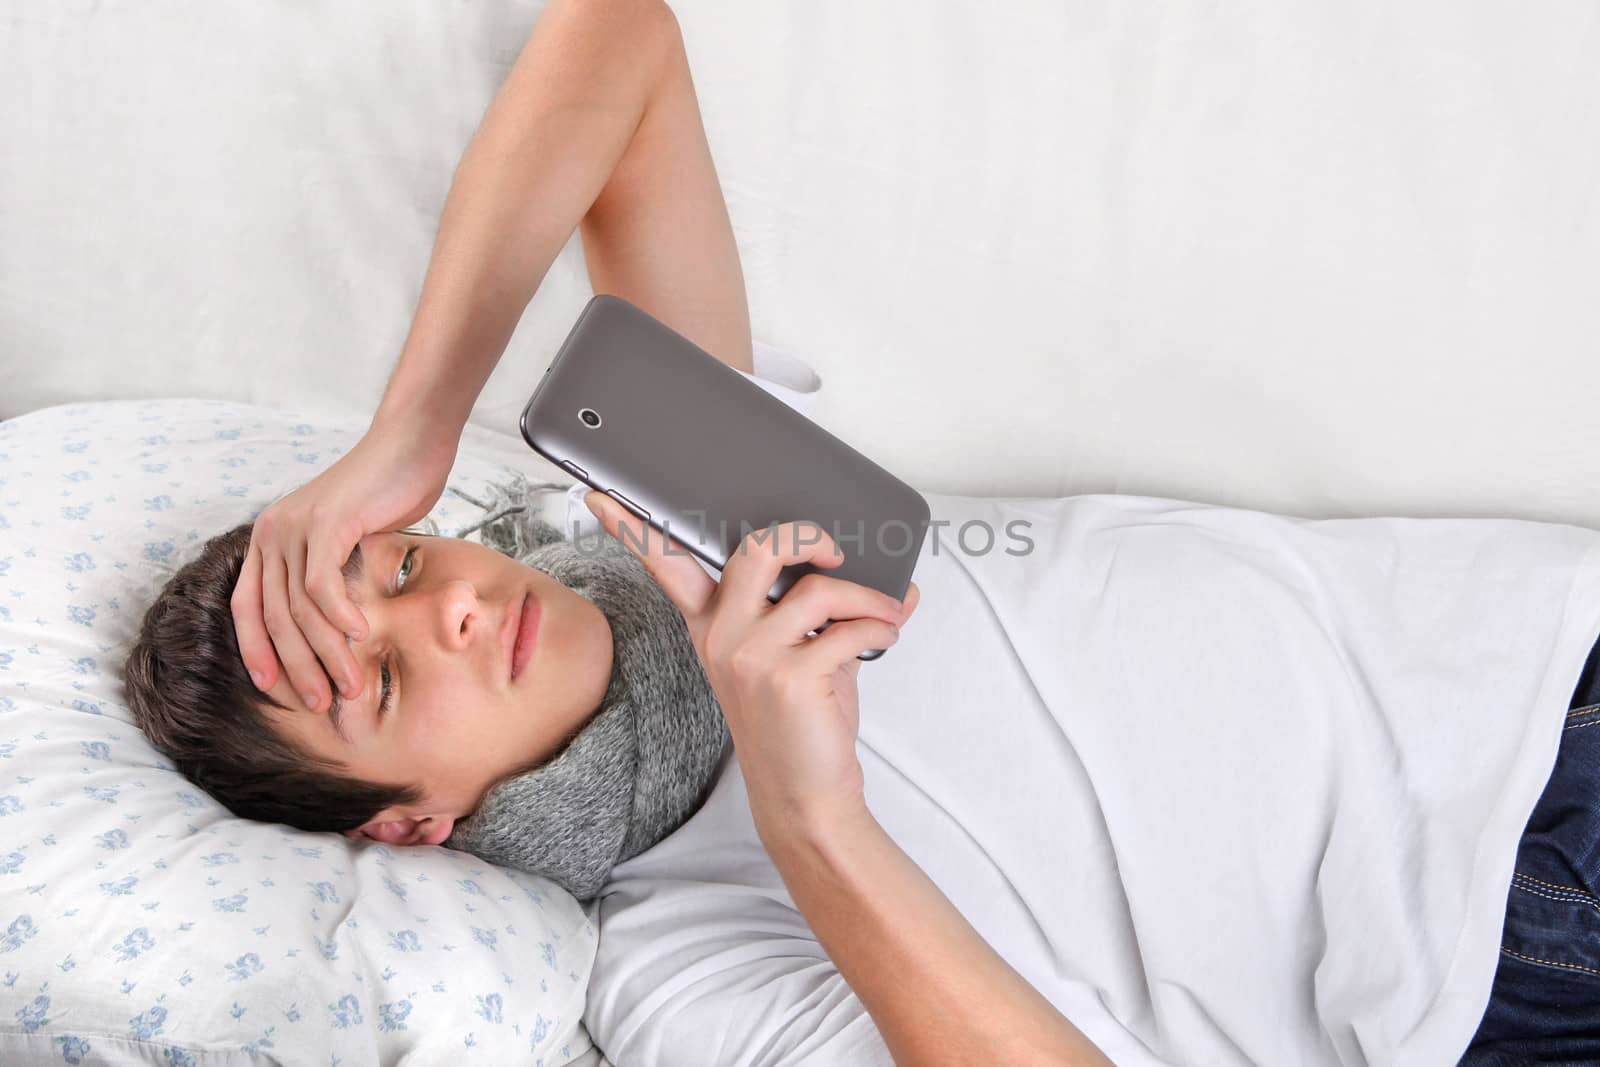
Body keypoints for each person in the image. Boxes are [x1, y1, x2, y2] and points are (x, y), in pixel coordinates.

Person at [124, 0, 1600, 1063]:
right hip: (1498, 946)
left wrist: (413, 428)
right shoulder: (670, 965)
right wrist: (806, 806)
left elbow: (619, 39)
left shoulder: (686, 496)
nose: (444, 608)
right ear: (408, 826)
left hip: (1538, 642)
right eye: (382, 684)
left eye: (401, 567)